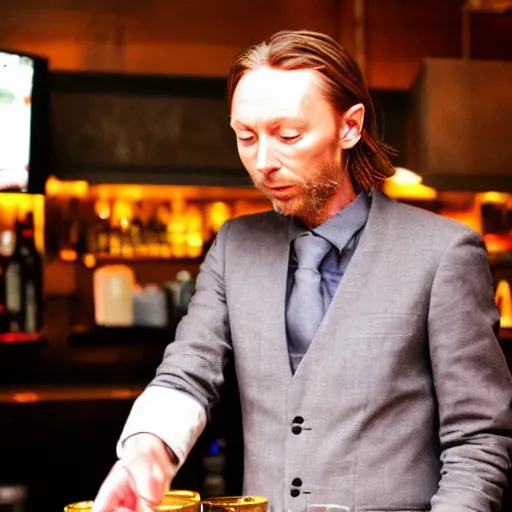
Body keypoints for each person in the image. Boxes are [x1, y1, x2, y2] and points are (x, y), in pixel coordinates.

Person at [92, 30, 512, 512]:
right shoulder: (234, 246)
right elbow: (189, 370)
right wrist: (147, 452)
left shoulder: (443, 253)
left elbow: (478, 438)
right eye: (245, 138)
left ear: (349, 127)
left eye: (288, 135)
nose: (263, 163)